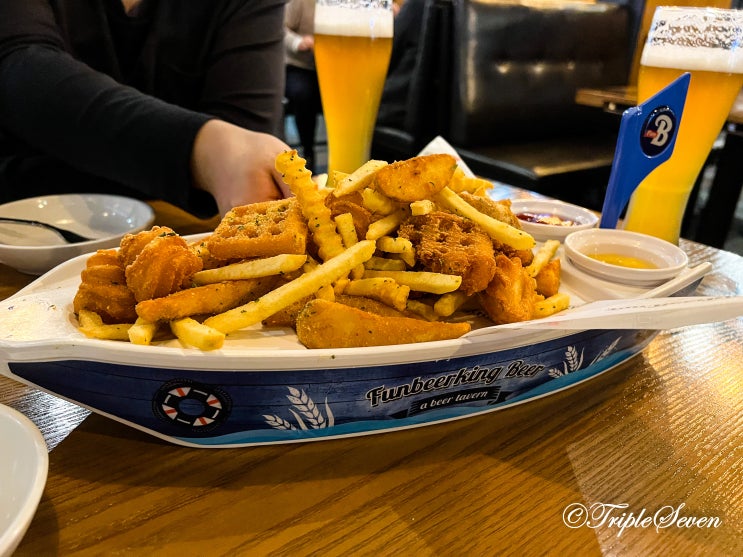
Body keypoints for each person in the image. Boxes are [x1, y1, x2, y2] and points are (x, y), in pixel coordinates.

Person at [0, 0, 293, 218]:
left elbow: (247, 149)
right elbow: (19, 70)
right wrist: (203, 150)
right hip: (18, 231)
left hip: (179, 234)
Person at [283, 0, 322, 173]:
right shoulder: (300, 2)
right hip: (299, 66)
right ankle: (308, 151)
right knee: (303, 94)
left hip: (329, 68)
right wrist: (298, 42)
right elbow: (281, 28)